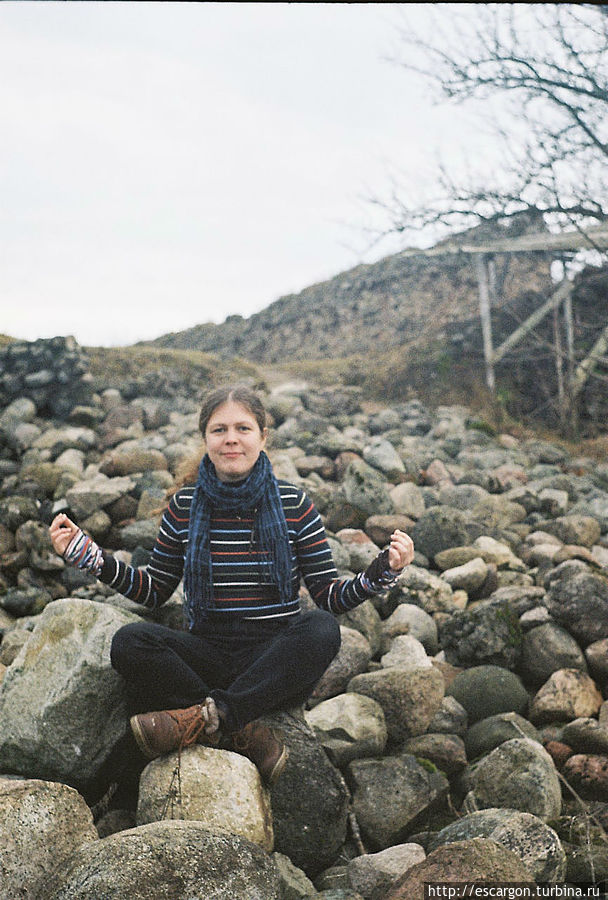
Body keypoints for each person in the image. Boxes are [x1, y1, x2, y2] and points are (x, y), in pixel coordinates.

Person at [49, 384, 414, 787]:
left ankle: (203, 716)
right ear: (205, 438)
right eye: (219, 430)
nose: (231, 439)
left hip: (272, 662)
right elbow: (152, 591)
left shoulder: (295, 505)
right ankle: (238, 727)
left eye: (243, 428)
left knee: (321, 629)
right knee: (129, 642)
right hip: (207, 653)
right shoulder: (184, 507)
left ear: (262, 436)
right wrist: (88, 555)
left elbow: (329, 595)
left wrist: (383, 570)